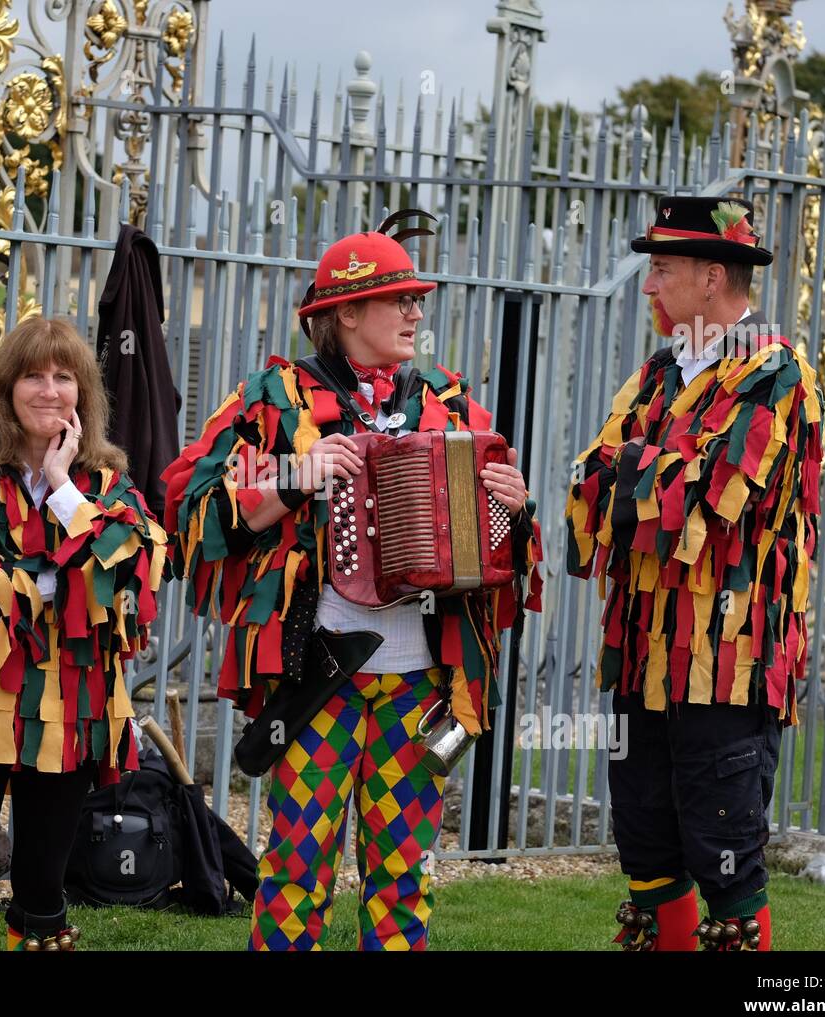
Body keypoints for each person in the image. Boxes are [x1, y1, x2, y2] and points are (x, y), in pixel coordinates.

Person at [162, 216, 542, 951]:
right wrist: (288, 479)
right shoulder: (277, 396)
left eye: (416, 299)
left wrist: (511, 512)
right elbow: (189, 503)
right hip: (321, 676)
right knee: (296, 870)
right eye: (398, 299)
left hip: (425, 688)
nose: (415, 313)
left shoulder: (450, 401)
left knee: (405, 876)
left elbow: (505, 553)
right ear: (344, 314)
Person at [565, 196, 824, 951]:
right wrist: (643, 473)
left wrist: (634, 471)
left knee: (725, 852)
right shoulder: (656, 374)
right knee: (645, 841)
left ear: (714, 278)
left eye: (664, 269)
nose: (648, 286)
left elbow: (707, 504)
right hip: (641, 654)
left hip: (730, 664)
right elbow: (587, 481)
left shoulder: (778, 374)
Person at [0, 316, 166, 950]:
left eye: (64, 377)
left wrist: (66, 491)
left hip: (71, 703)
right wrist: (59, 582)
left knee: (44, 882)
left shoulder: (103, 482)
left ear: (83, 392)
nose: (49, 390)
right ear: (6, 388)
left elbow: (134, 566)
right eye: (33, 376)